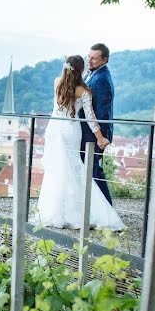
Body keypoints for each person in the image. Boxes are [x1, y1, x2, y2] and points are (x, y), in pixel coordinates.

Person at [33, 55, 124, 230]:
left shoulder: (57, 82)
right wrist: (100, 137)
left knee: (56, 170)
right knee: (74, 168)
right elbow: (91, 118)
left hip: (54, 128)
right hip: (71, 131)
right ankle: (79, 211)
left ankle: (54, 211)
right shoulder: (84, 91)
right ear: (81, 70)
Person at [79, 43, 114, 205]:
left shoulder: (102, 79)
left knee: (94, 172)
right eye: (89, 57)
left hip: (94, 136)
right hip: (87, 134)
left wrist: (101, 137)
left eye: (94, 58)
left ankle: (106, 208)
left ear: (104, 60)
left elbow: (103, 111)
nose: (90, 61)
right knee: (91, 171)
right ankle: (97, 209)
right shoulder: (92, 74)